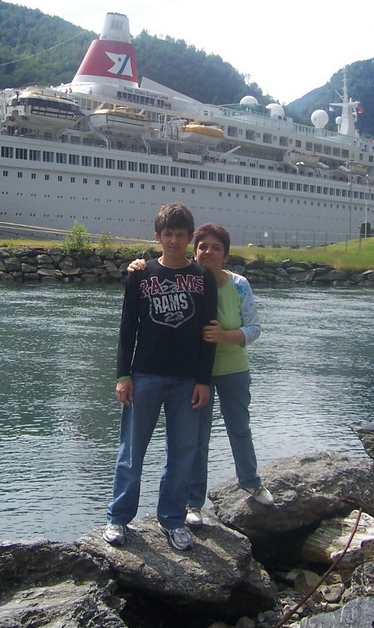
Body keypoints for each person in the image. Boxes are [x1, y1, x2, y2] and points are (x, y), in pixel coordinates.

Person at [128, 223, 273, 528]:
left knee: (239, 428)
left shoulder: (239, 285)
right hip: (194, 371)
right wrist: (139, 265)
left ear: (225, 254)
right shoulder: (189, 278)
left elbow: (255, 328)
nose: (208, 252)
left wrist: (225, 335)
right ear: (195, 250)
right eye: (203, 247)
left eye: (215, 248)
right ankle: (194, 502)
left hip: (232, 368)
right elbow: (161, 272)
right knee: (196, 439)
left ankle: (250, 481)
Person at [104, 203, 218, 552]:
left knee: (182, 453)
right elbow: (127, 329)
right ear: (157, 236)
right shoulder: (140, 275)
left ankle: (171, 521)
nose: (173, 240)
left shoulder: (203, 278)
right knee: (131, 451)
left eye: (180, 235)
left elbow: (208, 332)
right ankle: (118, 518)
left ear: (188, 238)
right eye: (167, 234)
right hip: (145, 375)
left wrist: (203, 380)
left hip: (187, 379)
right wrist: (123, 375)